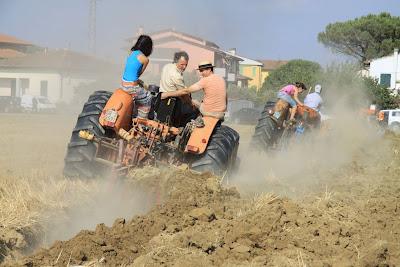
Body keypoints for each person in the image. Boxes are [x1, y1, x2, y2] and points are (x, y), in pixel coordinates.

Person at [161, 61, 226, 120]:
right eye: (200, 71)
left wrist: (166, 94)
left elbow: (186, 91)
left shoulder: (205, 80)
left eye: (202, 71)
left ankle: (188, 124)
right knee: (198, 102)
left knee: (193, 102)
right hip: (221, 113)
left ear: (209, 69)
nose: (201, 73)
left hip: (208, 112)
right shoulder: (221, 79)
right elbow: (225, 96)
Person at [159, 51, 199, 125]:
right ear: (176, 61)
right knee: (194, 112)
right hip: (173, 102)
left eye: (186, 65)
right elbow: (183, 94)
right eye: (182, 64)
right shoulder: (176, 75)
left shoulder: (167, 66)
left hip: (161, 97)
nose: (184, 67)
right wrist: (192, 104)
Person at [121, 34, 153, 119]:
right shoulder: (145, 59)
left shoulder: (131, 53)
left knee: (139, 96)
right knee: (148, 97)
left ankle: (134, 114)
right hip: (132, 87)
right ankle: (141, 120)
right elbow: (138, 74)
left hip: (123, 84)